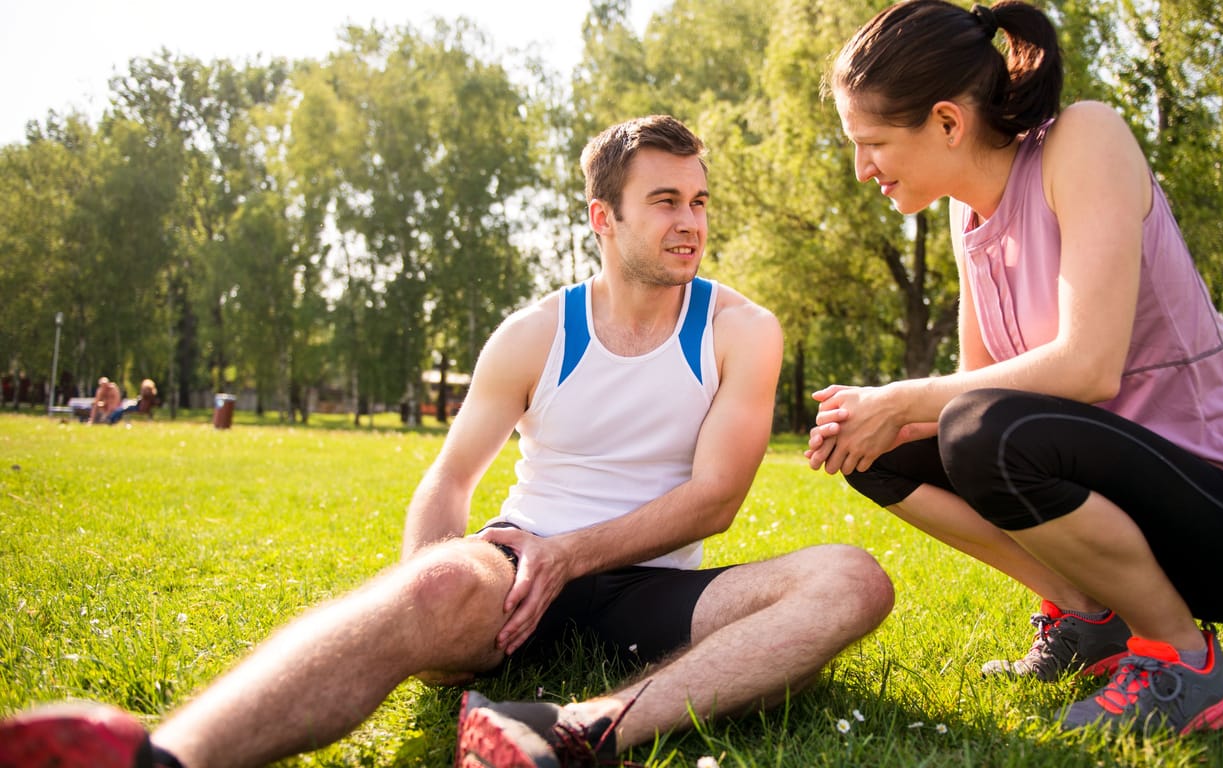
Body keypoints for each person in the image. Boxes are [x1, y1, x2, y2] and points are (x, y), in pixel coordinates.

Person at [0, 115, 894, 768]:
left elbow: (717, 500)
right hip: (512, 580)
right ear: (602, 218)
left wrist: (570, 556)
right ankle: (163, 757)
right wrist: (433, 591)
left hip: (653, 588)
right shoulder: (533, 333)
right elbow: (451, 475)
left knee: (852, 580)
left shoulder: (743, 329)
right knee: (430, 579)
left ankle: (577, 725)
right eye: (665, 201)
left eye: (699, 201)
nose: (690, 222)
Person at [806, 0, 1223, 736]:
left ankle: (1183, 660)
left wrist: (905, 394)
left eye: (872, 142)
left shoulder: (1084, 139)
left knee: (982, 430)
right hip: (1126, 503)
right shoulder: (966, 213)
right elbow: (969, 386)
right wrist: (873, 416)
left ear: (949, 123)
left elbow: (1089, 365)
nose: (861, 169)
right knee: (882, 447)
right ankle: (1091, 618)